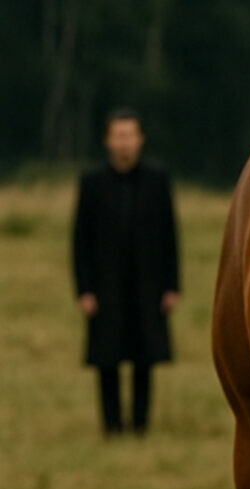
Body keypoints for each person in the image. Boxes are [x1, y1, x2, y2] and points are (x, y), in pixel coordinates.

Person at [72, 108, 180, 438]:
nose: (124, 143)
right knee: (107, 358)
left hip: (148, 284)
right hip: (105, 285)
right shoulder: (91, 183)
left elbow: (170, 235)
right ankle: (111, 426)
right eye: (118, 135)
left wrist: (172, 286)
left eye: (130, 135)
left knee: (144, 356)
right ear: (107, 140)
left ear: (140, 139)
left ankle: (141, 425)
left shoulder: (158, 180)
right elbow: (80, 240)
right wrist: (84, 289)